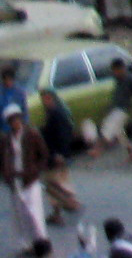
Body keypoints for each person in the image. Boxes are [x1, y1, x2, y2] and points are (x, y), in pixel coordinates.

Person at [0, 103, 48, 250]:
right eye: (11, 120)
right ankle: (27, 244)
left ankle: (42, 243)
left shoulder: (32, 134)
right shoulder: (6, 140)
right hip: (15, 181)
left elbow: (44, 155)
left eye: (16, 119)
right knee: (20, 216)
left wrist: (36, 170)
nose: (15, 122)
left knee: (34, 213)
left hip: (31, 179)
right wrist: (5, 176)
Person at [33, 90, 79, 228]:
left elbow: (63, 135)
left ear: (50, 98)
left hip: (56, 156)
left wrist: (60, 154)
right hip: (56, 154)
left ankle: (70, 204)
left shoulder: (56, 113)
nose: (44, 102)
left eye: (45, 99)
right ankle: (58, 212)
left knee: (52, 184)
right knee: (58, 183)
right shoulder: (55, 112)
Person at [91, 53, 132, 162]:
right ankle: (131, 154)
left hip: (123, 110)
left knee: (108, 128)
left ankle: (97, 149)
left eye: (116, 70)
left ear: (122, 68)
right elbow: (116, 95)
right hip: (116, 108)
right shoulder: (117, 79)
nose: (115, 73)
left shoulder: (130, 79)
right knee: (120, 134)